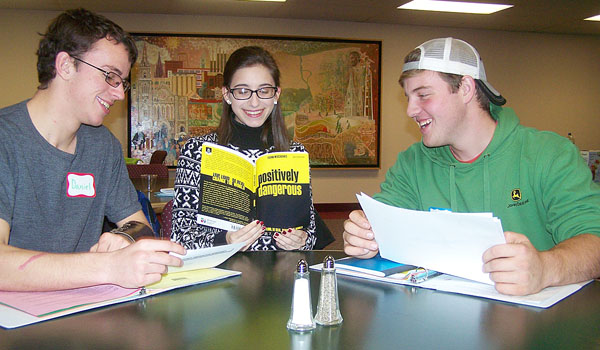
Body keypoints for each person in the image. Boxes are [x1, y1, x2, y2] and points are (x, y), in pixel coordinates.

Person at [343, 37, 600, 296]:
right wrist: (365, 236)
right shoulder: (413, 163)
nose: (410, 110)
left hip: (535, 325)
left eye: (422, 95)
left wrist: (546, 268)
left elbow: (594, 243)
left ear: (465, 88)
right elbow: (382, 224)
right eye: (408, 97)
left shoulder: (549, 155)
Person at [0, 8, 185, 292]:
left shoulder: (102, 145)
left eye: (122, 82)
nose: (119, 94)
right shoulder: (6, 139)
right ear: (65, 66)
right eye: (110, 76)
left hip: (83, 309)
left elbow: (140, 225)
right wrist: (110, 267)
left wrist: (126, 237)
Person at [172, 46, 316, 251]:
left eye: (264, 91)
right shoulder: (197, 151)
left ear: (276, 95)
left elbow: (310, 233)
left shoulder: (295, 153)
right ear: (227, 95)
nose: (254, 102)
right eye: (242, 91)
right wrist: (226, 242)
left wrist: (301, 241)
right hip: (221, 273)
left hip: (280, 274)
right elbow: (180, 237)